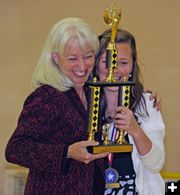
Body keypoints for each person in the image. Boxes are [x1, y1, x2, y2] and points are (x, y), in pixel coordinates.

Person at [5, 17, 109, 195]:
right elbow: (16, 149)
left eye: (88, 56)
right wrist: (67, 152)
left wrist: (145, 96)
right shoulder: (46, 96)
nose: (82, 66)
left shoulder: (90, 91)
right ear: (55, 58)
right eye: (72, 59)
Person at [94, 29, 165, 195]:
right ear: (96, 65)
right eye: (107, 61)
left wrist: (135, 130)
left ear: (133, 66)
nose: (114, 70)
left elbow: (156, 164)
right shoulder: (83, 106)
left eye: (123, 62)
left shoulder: (146, 104)